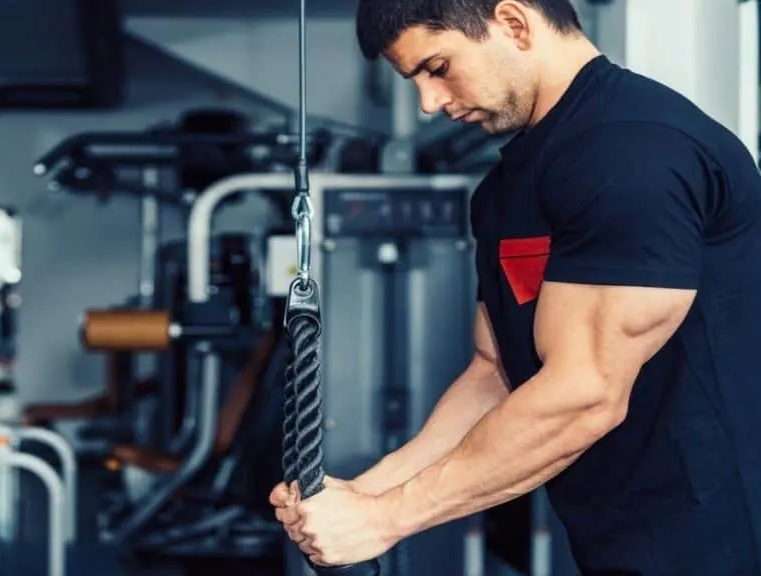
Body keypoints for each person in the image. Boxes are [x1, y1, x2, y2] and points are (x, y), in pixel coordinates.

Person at [269, 1, 761, 574]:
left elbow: (586, 394)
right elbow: (496, 372)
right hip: (620, 540)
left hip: (721, 540)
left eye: (438, 67)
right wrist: (366, 494)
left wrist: (389, 519)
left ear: (514, 22)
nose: (429, 103)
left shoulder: (633, 151)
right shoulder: (506, 189)